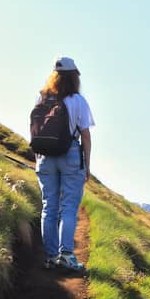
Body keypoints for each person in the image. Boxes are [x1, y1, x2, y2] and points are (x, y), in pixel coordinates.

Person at [34, 56, 94, 273]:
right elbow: (85, 136)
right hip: (69, 156)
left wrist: (37, 159)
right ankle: (66, 256)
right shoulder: (78, 101)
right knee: (68, 206)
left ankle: (50, 257)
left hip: (45, 158)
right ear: (74, 77)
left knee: (49, 207)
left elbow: (35, 131)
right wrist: (87, 165)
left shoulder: (42, 99)